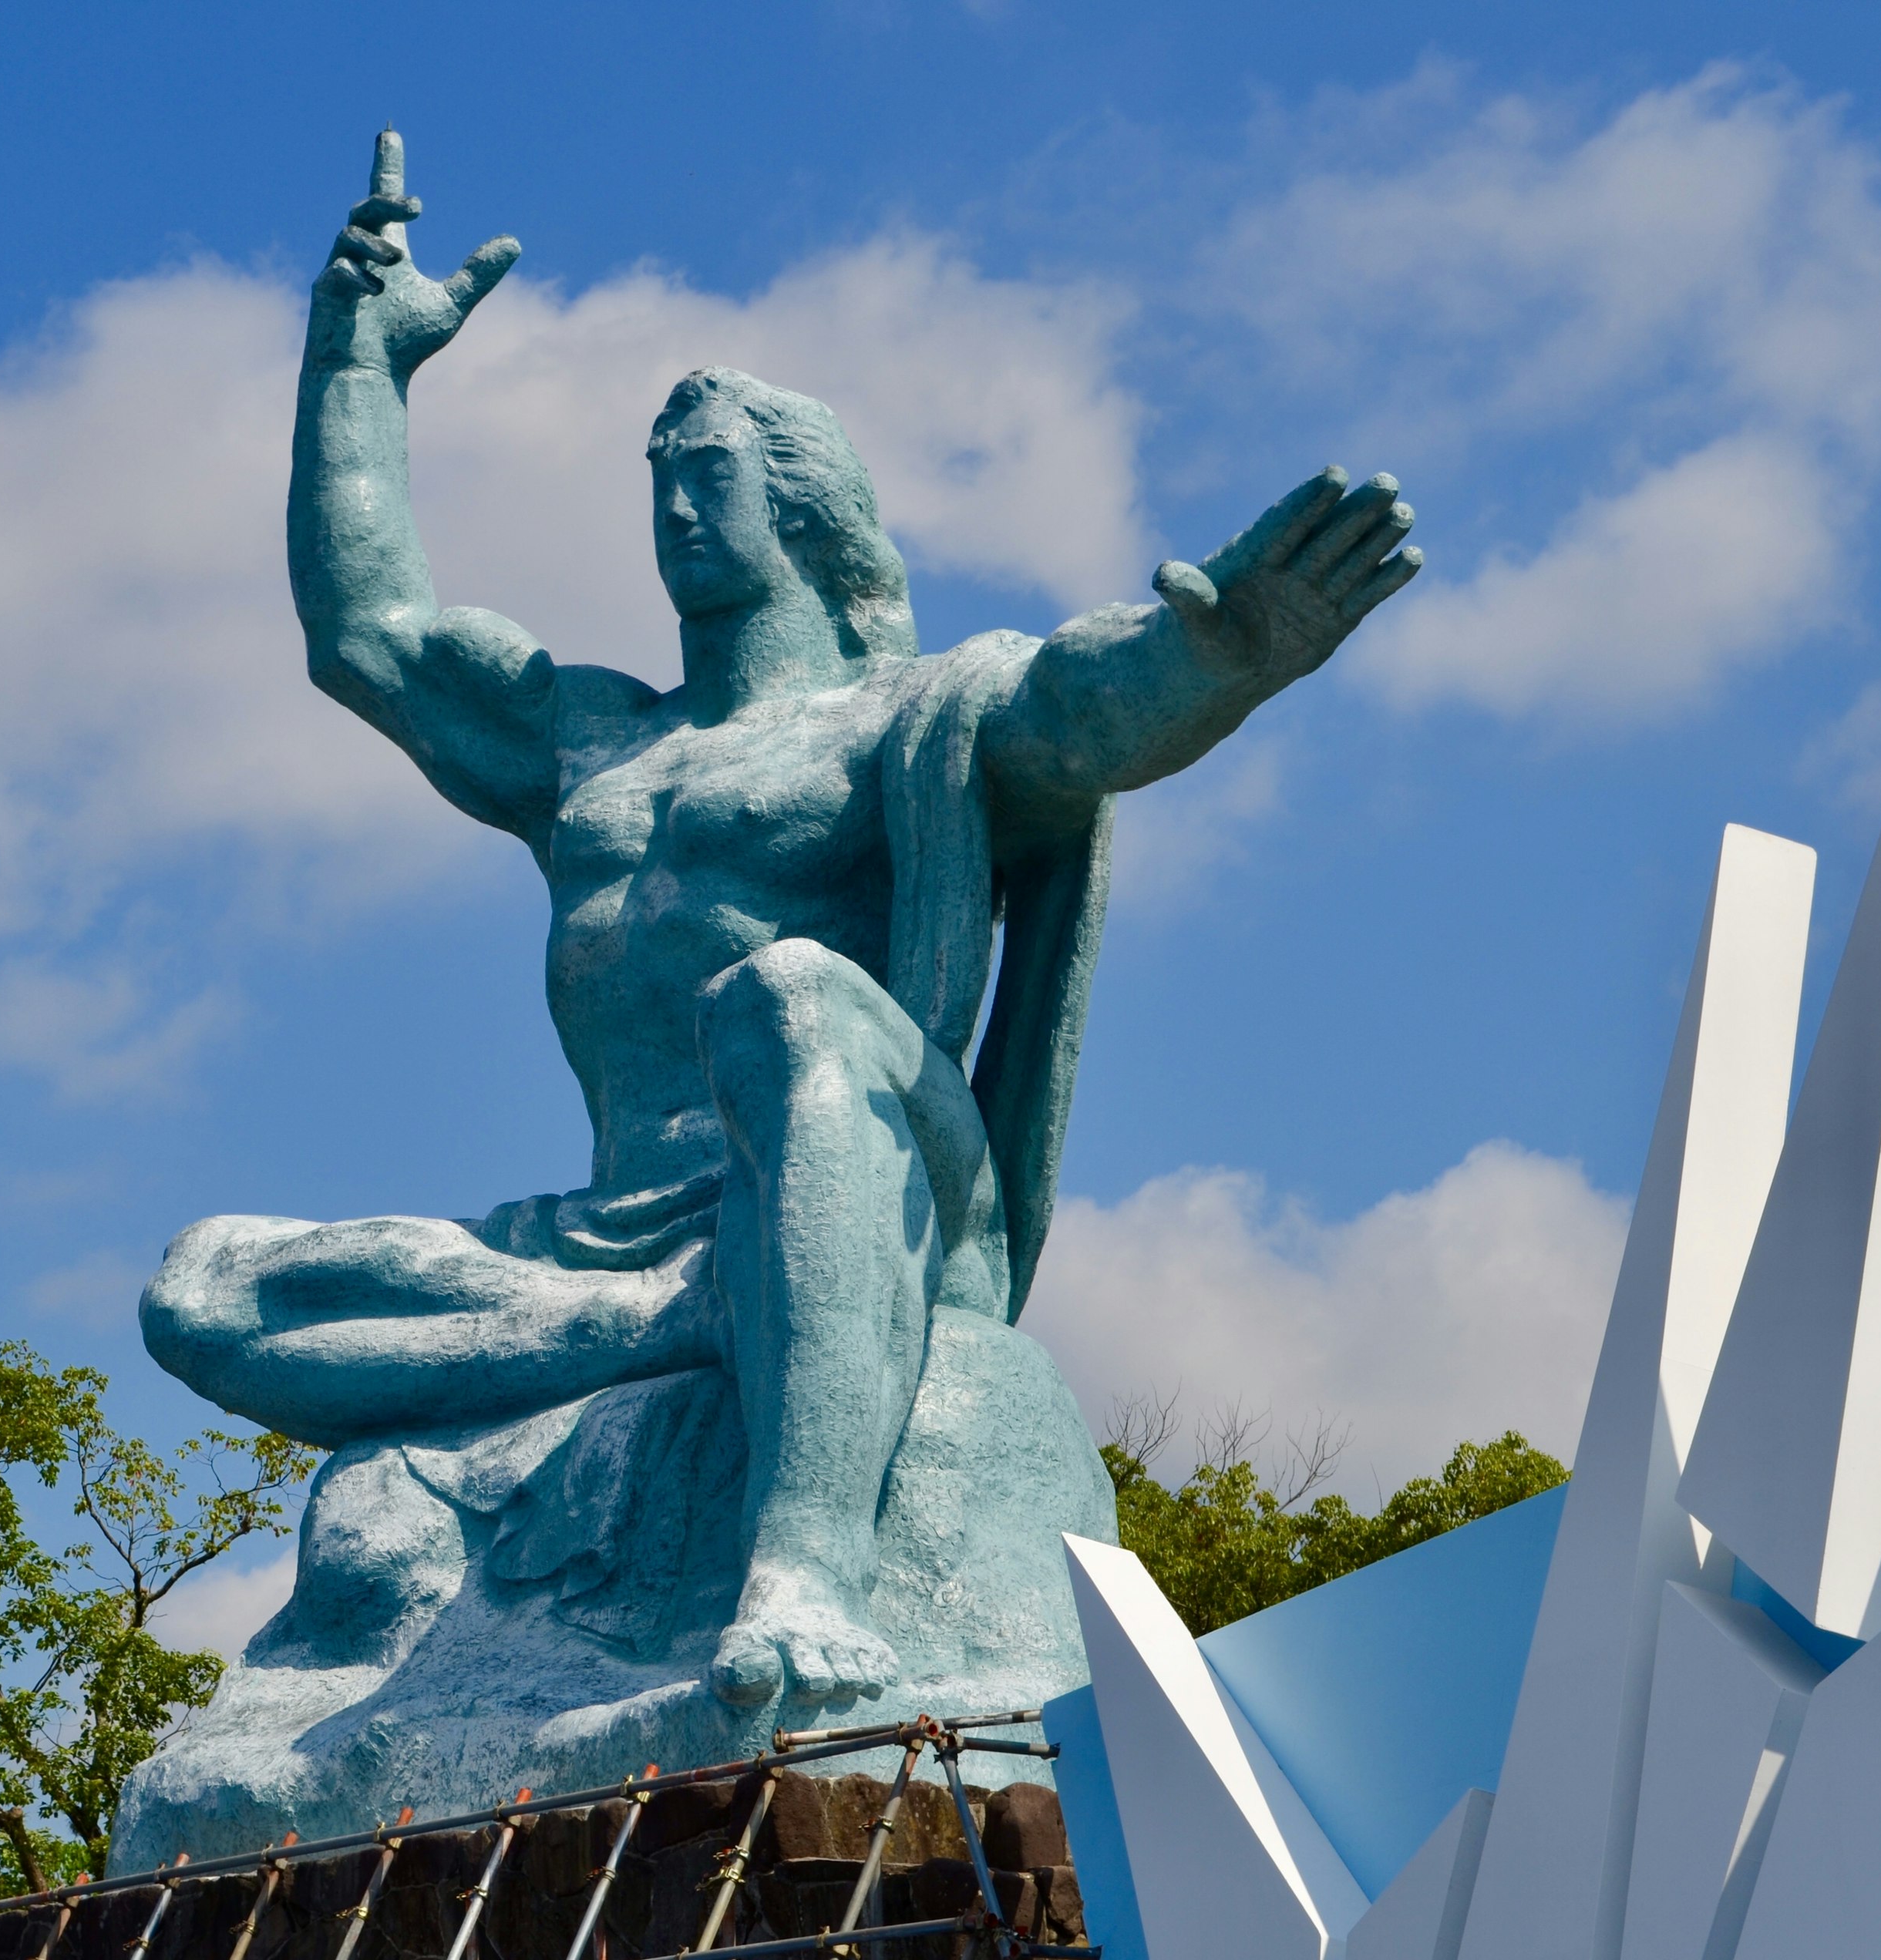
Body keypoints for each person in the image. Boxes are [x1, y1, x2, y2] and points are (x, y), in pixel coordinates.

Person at [143, 129, 1423, 1707]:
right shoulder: (586, 750)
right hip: (615, 1239)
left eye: (714, 477)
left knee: (794, 997)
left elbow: (1084, 708)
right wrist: (357, 367)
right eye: (659, 482)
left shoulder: (912, 716)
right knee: (206, 1289)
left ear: (806, 506)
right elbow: (373, 637)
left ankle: (802, 1561)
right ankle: (671, 1321)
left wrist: (1222, 660)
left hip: (876, 1176)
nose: (677, 508)